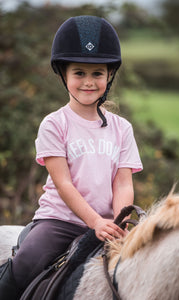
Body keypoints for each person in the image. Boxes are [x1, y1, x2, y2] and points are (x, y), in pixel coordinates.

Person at [0, 15, 143, 299]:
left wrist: (117, 222)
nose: (88, 82)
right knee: (27, 262)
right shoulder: (54, 124)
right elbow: (63, 184)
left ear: (109, 76)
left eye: (97, 74)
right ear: (63, 74)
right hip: (60, 222)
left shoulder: (122, 128)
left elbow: (123, 183)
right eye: (79, 73)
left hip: (108, 222)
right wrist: (95, 222)